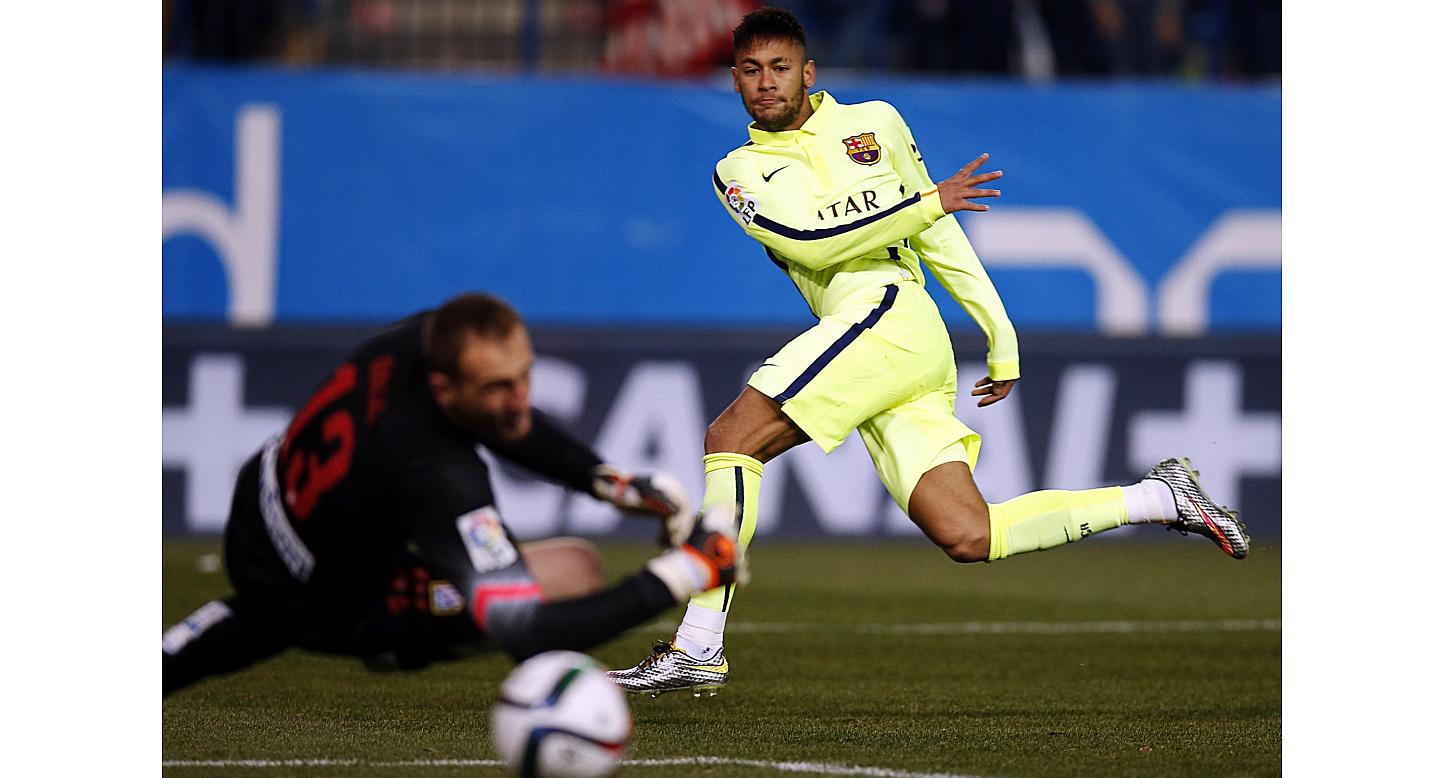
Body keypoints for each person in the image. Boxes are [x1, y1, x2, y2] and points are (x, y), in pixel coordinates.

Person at [607, 7, 1248, 696]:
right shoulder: (739, 169)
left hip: (892, 315)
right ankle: (1159, 498)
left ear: (808, 72)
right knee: (969, 533)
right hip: (879, 332)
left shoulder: (877, 122)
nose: (766, 83)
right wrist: (925, 205)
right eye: (751, 70)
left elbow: (940, 234)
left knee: (731, 439)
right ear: (734, 80)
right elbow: (811, 239)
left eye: (780, 68)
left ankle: (699, 643)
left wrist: (1000, 334)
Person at [163, 292, 741, 697]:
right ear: (444, 388)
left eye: (524, 376)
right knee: (573, 576)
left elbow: (506, 423)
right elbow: (527, 633)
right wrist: (687, 570)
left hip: (263, 494)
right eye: (498, 386)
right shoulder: (436, 474)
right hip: (320, 596)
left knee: (210, 645)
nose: (520, 399)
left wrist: (607, 483)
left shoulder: (422, 338)